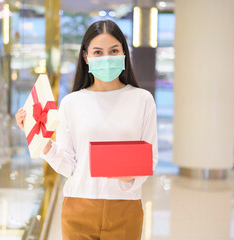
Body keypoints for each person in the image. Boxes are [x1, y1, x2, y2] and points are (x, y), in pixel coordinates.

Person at [15, 20, 158, 240]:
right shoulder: (72, 102)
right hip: (78, 207)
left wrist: (130, 178)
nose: (106, 58)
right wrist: (40, 139)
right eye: (98, 52)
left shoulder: (142, 100)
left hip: (126, 208)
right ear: (86, 56)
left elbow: (150, 157)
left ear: (124, 54)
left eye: (113, 51)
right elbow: (69, 166)